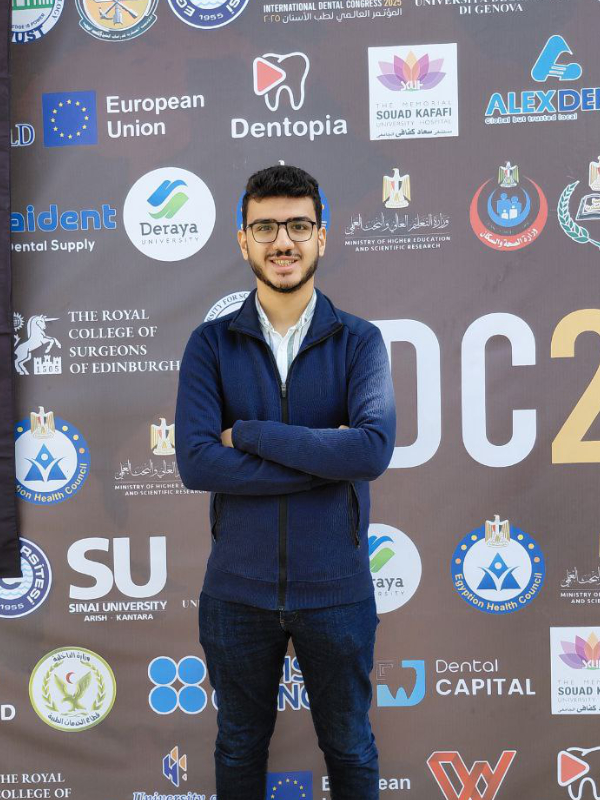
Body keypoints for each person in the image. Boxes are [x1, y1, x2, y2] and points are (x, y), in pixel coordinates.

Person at [175, 164, 397, 800]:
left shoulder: (359, 341)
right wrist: (324, 460)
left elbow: (371, 449)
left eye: (299, 225)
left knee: (350, 746)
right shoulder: (210, 345)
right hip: (236, 592)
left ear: (322, 237)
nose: (283, 241)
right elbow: (195, 463)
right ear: (242, 240)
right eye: (265, 227)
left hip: (337, 589)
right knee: (239, 746)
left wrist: (246, 434)